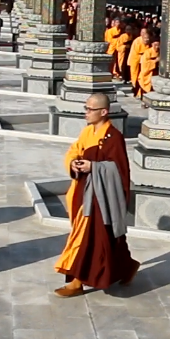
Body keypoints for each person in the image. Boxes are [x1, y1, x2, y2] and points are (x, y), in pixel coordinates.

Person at [54, 93, 139, 297]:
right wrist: (73, 162)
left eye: (90, 109)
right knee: (110, 239)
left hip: (100, 197)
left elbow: (120, 170)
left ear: (104, 112)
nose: (86, 113)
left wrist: (94, 166)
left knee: (87, 238)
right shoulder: (88, 132)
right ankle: (126, 266)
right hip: (84, 190)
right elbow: (74, 150)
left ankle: (77, 280)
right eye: (86, 108)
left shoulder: (113, 137)